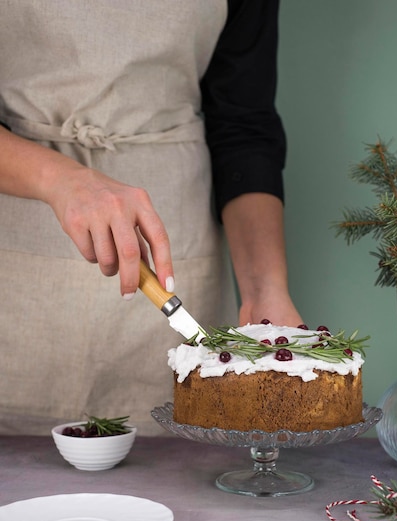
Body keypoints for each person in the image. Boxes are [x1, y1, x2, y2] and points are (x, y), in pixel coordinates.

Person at [0, 0, 302, 435]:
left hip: (177, 221)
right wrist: (61, 181)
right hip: (19, 240)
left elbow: (243, 125)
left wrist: (264, 290)